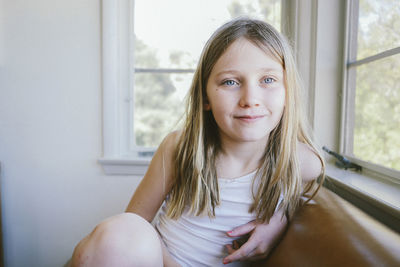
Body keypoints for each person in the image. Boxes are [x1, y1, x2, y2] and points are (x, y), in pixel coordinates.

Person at [71, 17, 324, 267]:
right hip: (165, 262)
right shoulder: (179, 148)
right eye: (231, 82)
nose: (250, 99)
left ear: (288, 92)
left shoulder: (299, 161)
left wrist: (278, 221)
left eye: (268, 80)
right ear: (205, 97)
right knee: (118, 235)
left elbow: (307, 189)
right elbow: (134, 223)